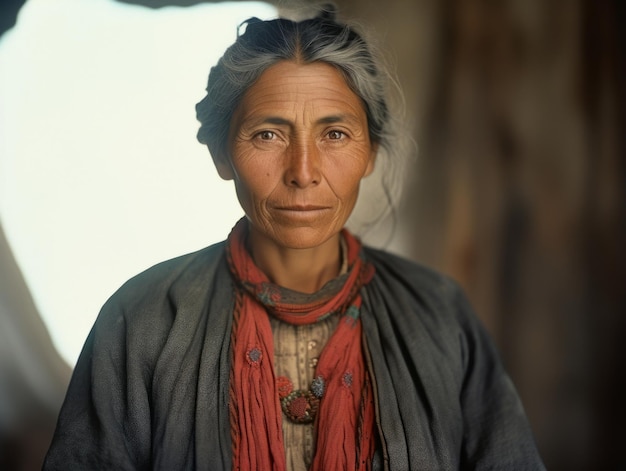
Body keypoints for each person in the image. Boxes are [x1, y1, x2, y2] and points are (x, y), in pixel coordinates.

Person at [43, 7, 545, 471]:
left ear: (370, 153)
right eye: (268, 134)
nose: (303, 173)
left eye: (334, 135)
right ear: (222, 156)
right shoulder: (144, 319)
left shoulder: (438, 314)